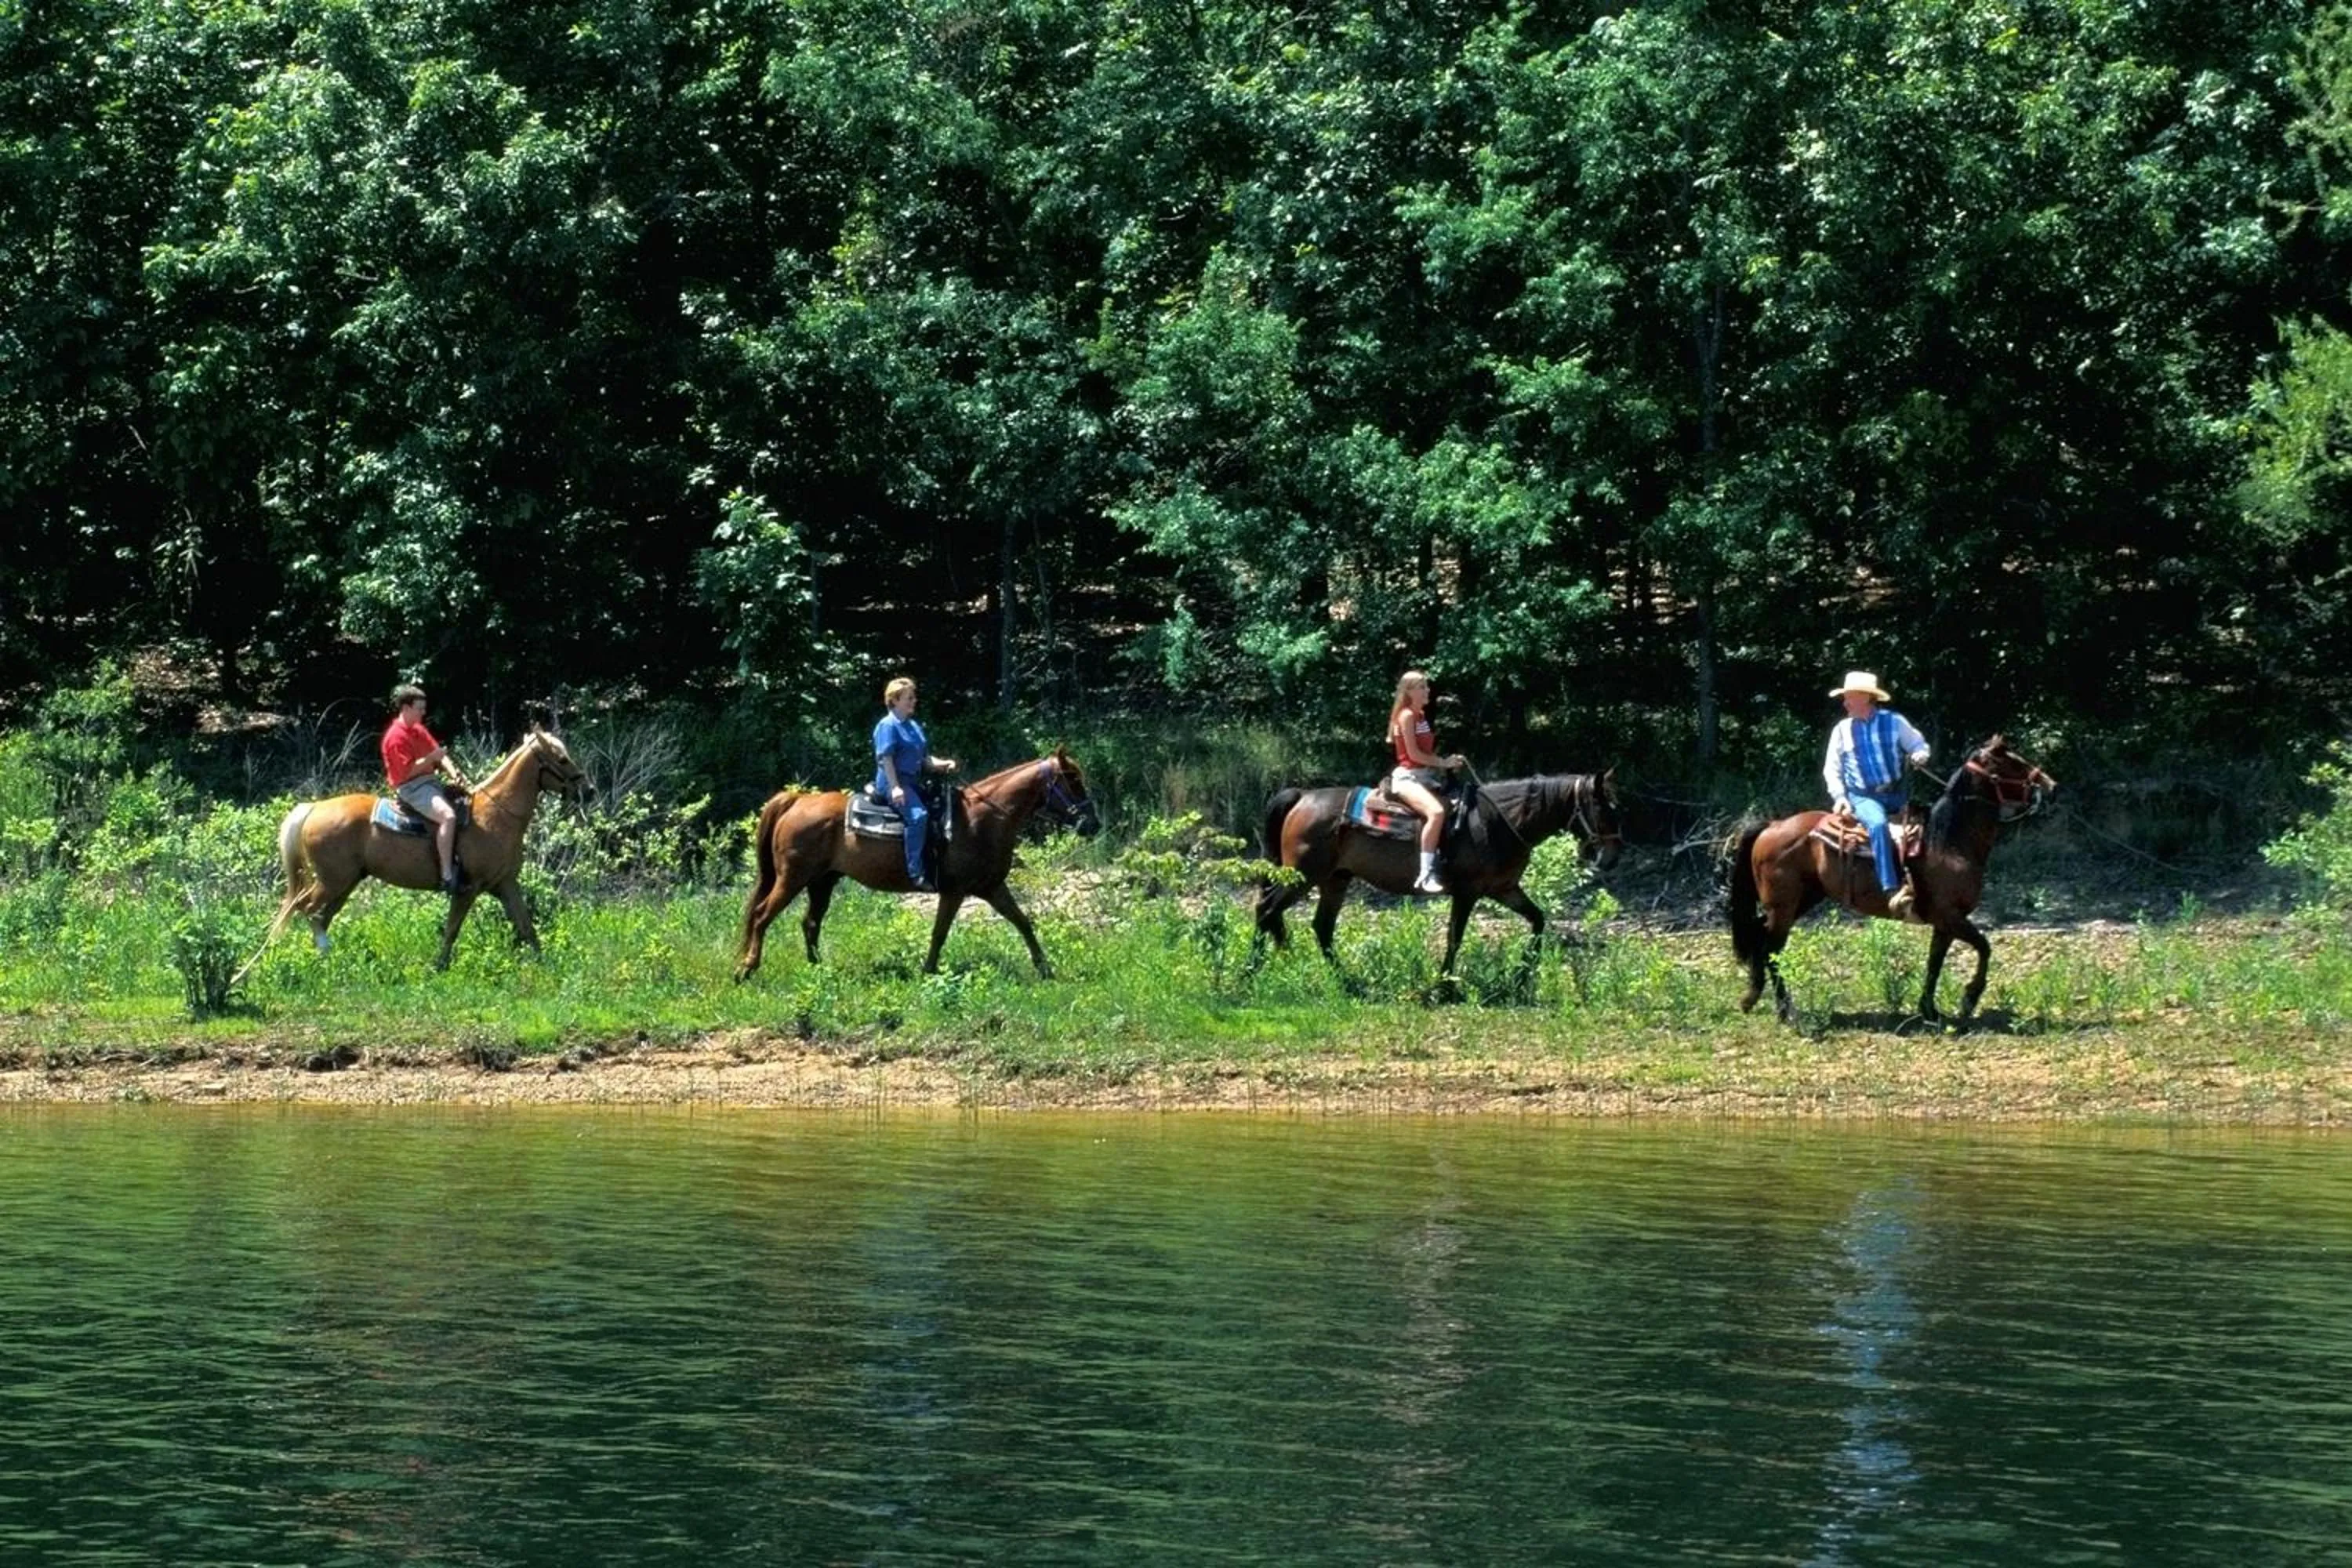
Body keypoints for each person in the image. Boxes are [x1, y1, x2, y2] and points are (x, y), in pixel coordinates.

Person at [1822, 670, 1932, 920]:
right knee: (1878, 825)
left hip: (1895, 793)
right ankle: (1890, 887)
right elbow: (1832, 768)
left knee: (1924, 828)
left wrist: (1919, 755)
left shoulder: (1894, 722)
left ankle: (1928, 886)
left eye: (1849, 697)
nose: (1845, 702)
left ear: (1865, 697)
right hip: (1863, 796)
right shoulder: (1842, 730)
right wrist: (1840, 797)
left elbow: (1917, 744)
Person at [380, 683, 470, 895]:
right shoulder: (395, 738)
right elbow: (405, 774)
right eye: (419, 708)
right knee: (448, 816)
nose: (423, 712)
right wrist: (430, 759)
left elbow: (440, 754)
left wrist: (454, 773)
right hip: (412, 787)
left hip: (430, 782)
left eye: (423, 708)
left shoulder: (418, 730)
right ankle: (447, 875)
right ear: (405, 708)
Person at [873, 677, 958, 893]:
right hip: (893, 782)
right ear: (895, 700)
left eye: (913, 697)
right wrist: (895, 788)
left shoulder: (913, 726)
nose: (914, 701)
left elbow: (925, 760)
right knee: (918, 816)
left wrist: (944, 763)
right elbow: (886, 759)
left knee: (942, 811)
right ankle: (915, 873)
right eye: (909, 698)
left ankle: (938, 865)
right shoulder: (887, 725)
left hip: (912, 782)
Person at [1386, 670, 1468, 895]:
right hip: (1408, 777)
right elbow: (1413, 755)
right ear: (1409, 691)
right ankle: (1425, 874)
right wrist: (1444, 763)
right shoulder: (1407, 716)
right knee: (1436, 812)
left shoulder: (1419, 715)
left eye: (1426, 686)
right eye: (1422, 687)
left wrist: (1445, 763)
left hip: (1425, 776)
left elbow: (1424, 753)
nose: (1427, 690)